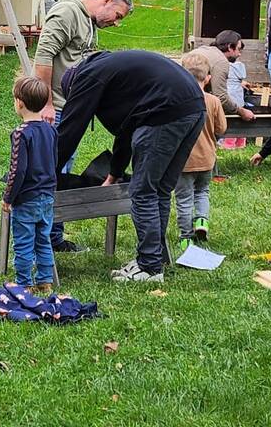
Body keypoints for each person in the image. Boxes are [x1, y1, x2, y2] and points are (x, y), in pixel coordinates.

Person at [57, 50, 206, 283]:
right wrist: (114, 173)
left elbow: (70, 130)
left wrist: (48, 171)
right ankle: (155, 259)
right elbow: (125, 133)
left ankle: (149, 267)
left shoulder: (87, 77)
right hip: (194, 106)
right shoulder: (114, 75)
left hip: (165, 111)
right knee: (160, 189)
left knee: (143, 191)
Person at [33, 0, 132, 253]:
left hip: (72, 108)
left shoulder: (89, 21)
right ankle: (43, 240)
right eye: (117, 15)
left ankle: (53, 237)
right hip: (55, 109)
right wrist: (46, 104)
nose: (116, 22)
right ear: (107, 0)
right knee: (51, 172)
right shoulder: (67, 12)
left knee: (62, 172)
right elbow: (43, 56)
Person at [3, 76, 58, 294]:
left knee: (24, 243)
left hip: (26, 199)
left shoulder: (21, 134)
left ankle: (23, 283)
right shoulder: (51, 130)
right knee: (44, 240)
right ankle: (45, 281)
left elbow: (17, 170)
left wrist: (8, 197)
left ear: (19, 103)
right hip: (47, 196)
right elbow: (54, 161)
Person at [174, 53, 226, 251]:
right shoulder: (213, 101)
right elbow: (221, 128)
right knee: (202, 191)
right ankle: (202, 221)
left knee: (183, 198)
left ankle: (185, 238)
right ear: (208, 78)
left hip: (183, 161)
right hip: (207, 159)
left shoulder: (178, 99)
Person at [189, 30, 256, 122]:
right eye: (238, 49)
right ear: (230, 47)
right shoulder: (221, 61)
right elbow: (221, 96)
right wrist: (241, 111)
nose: (239, 54)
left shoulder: (203, 50)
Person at [221, 40, 252, 149]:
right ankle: (240, 143)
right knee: (240, 119)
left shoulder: (224, 65)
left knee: (230, 120)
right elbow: (239, 79)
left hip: (229, 95)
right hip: (238, 96)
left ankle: (228, 144)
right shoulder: (240, 67)